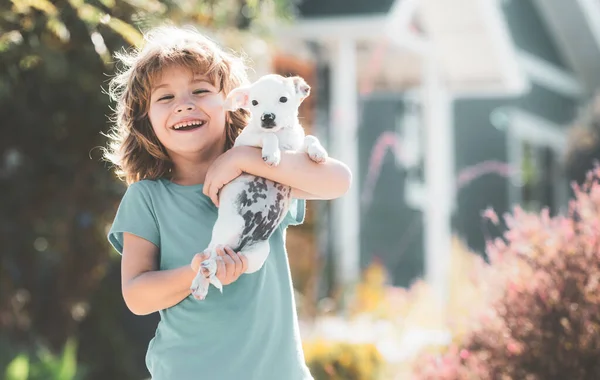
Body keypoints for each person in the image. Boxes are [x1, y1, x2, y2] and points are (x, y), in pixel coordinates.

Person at [103, 24, 352, 380]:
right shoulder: (147, 198)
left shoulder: (268, 171)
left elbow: (338, 181)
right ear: (146, 121)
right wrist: (196, 272)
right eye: (165, 97)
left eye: (200, 91)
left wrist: (240, 160)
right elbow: (137, 295)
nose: (184, 105)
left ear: (234, 102)